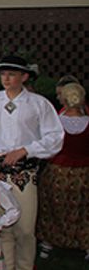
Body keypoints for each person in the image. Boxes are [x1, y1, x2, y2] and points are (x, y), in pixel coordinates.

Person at [0, 55, 64, 270]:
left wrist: (25, 150)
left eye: (12, 74)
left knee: (25, 229)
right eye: (3, 74)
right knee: (3, 228)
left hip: (25, 173)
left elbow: (54, 137)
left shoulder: (38, 103)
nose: (6, 78)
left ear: (24, 77)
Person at [38, 79, 89, 258]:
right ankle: (84, 242)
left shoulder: (56, 122)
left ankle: (48, 242)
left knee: (53, 207)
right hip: (83, 172)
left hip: (58, 171)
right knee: (82, 209)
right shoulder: (87, 121)